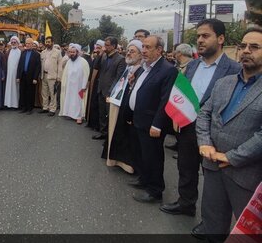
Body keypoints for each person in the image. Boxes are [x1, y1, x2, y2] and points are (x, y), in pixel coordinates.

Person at [160, 20, 241, 228]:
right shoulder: (193, 65)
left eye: (206, 36)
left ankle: (211, 222)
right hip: (187, 128)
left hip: (214, 134)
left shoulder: (233, 69)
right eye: (198, 36)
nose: (200, 40)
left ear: (221, 39)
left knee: (213, 181)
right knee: (185, 168)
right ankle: (186, 204)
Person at [196, 27, 262, 243]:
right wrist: (205, 144)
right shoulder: (224, 83)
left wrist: (232, 157)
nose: (245, 51)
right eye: (243, 46)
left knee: (246, 235)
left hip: (246, 175)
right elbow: (204, 114)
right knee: (213, 225)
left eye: (254, 47)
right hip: (213, 168)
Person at [128, 35, 178, 203]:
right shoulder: (144, 67)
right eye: (143, 47)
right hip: (139, 119)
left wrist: (157, 124)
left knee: (153, 157)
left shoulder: (167, 69)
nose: (143, 50)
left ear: (159, 50)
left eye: (148, 47)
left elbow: (166, 100)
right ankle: (144, 178)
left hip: (152, 123)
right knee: (143, 154)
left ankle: (155, 190)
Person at [102, 40, 144, 173]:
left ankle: (126, 164)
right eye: (128, 51)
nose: (129, 54)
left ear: (140, 55)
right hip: (118, 104)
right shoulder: (128, 68)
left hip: (129, 110)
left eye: (133, 51)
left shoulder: (142, 71)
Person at [93, 37, 126, 140]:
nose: (105, 47)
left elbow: (118, 77)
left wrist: (111, 91)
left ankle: (109, 136)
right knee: (102, 113)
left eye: (107, 45)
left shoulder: (120, 59)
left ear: (114, 46)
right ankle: (103, 132)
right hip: (101, 89)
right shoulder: (104, 56)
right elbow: (96, 66)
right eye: (105, 45)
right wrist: (100, 54)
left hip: (110, 92)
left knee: (110, 114)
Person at [59, 44, 90, 124]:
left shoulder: (83, 62)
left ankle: (79, 116)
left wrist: (83, 87)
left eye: (73, 52)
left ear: (77, 52)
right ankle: (69, 113)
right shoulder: (69, 61)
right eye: (70, 52)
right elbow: (66, 74)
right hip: (69, 86)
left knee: (78, 101)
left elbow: (86, 75)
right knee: (69, 99)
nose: (71, 54)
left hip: (79, 86)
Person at [17, 38, 41, 114]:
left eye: (29, 43)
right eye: (26, 43)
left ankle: (30, 108)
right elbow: (20, 65)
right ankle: (24, 107)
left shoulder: (36, 54)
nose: (27, 45)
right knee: (23, 91)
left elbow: (38, 67)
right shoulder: (23, 53)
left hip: (31, 76)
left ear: (32, 44)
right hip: (23, 75)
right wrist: (18, 76)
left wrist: (35, 78)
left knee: (30, 92)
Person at [39, 36, 62, 116]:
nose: (47, 43)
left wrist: (59, 77)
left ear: (52, 42)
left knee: (52, 93)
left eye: (49, 42)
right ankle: (45, 107)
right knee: (44, 93)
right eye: (46, 42)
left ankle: (52, 109)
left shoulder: (57, 52)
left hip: (52, 76)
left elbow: (60, 65)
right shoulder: (43, 52)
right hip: (44, 75)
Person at [86, 40, 104, 130]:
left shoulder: (102, 57)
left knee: (96, 104)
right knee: (92, 102)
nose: (97, 48)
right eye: (96, 47)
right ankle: (91, 123)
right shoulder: (96, 57)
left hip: (98, 83)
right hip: (93, 81)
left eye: (99, 47)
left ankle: (96, 125)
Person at [4, 36, 22, 109]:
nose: (13, 43)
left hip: (16, 74)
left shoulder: (19, 52)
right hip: (9, 74)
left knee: (15, 89)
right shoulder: (9, 51)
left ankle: (15, 104)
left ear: (17, 43)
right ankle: (8, 104)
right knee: (9, 88)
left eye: (15, 42)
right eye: (12, 42)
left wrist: (18, 75)